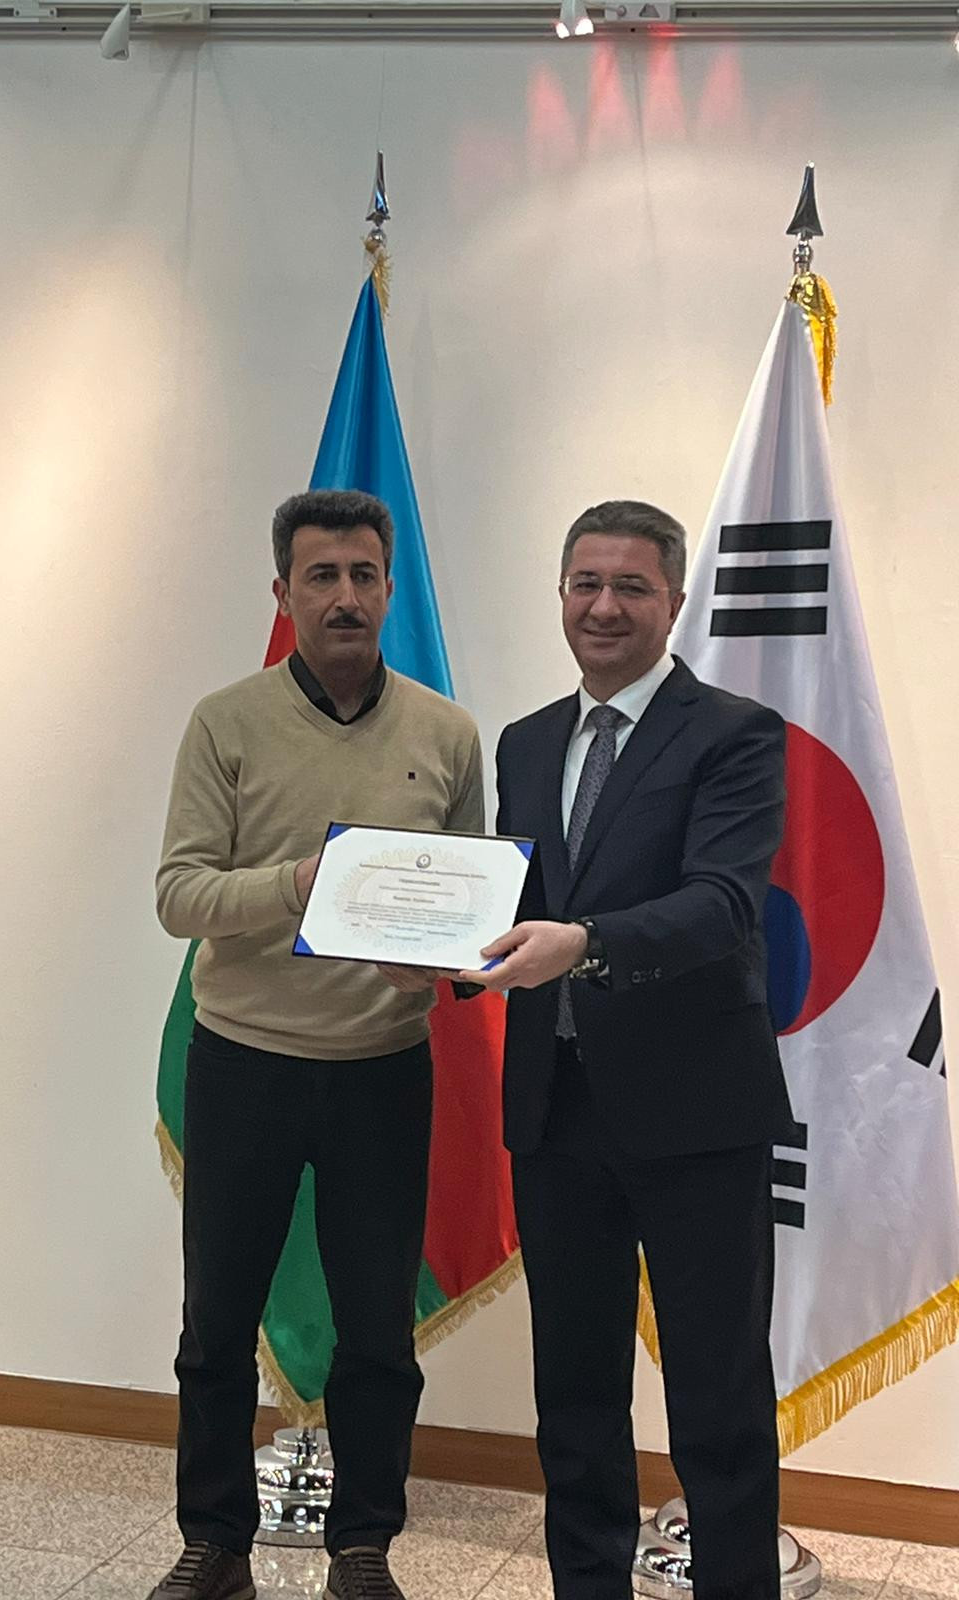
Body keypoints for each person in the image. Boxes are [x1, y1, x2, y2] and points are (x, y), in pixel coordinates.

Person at [152, 489, 484, 1600]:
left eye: (364, 576)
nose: (345, 596)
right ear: (283, 592)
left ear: (391, 590)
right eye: (321, 576)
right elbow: (179, 895)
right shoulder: (224, 723)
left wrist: (438, 963)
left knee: (378, 1331)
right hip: (243, 1062)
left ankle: (363, 1547)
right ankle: (215, 1544)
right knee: (216, 1324)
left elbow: (467, 911)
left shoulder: (448, 734)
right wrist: (303, 882)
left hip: (382, 1073)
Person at [459, 501, 791, 1600]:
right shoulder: (526, 741)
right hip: (556, 1111)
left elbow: (723, 904)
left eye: (631, 587)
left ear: (674, 602)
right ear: (560, 594)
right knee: (575, 1397)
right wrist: (442, 958)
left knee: (717, 1399)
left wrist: (586, 943)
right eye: (585, 584)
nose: (604, 607)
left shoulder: (735, 733)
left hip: (697, 1115)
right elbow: (515, 905)